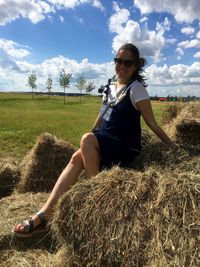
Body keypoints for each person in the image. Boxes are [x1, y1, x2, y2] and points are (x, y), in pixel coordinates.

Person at [12, 43, 176, 237]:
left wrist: (173, 147)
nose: (121, 66)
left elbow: (152, 123)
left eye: (127, 62)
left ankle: (96, 198)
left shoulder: (136, 89)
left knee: (87, 140)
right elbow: (102, 118)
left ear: (135, 66)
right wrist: (88, 142)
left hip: (125, 147)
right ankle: (44, 214)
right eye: (118, 61)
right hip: (106, 142)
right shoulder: (110, 87)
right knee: (77, 156)